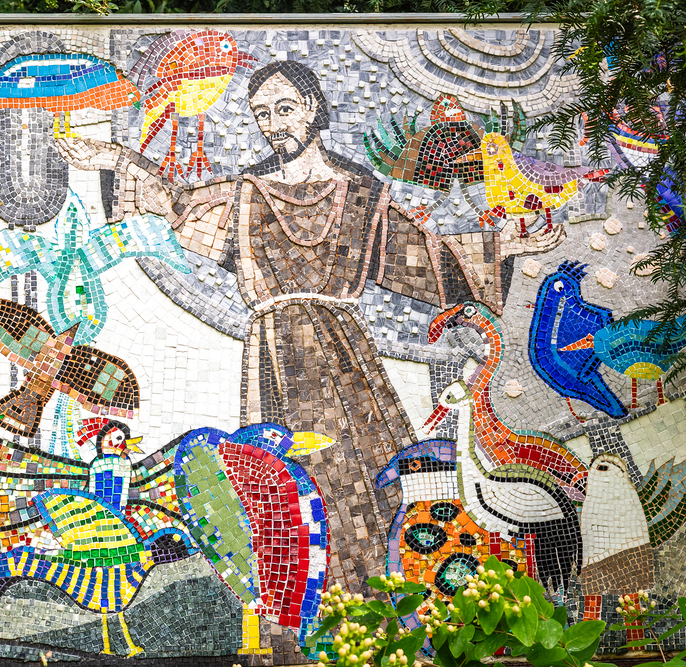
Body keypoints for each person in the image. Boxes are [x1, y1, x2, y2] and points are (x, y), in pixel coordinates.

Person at [55, 60, 563, 592]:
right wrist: (116, 158)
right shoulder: (244, 195)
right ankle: (301, 596)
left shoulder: (360, 196)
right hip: (272, 353)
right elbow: (174, 207)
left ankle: (385, 590)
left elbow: (421, 258)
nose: (273, 124)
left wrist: (502, 245)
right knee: (282, 481)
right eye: (262, 115)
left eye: (284, 109)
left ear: (313, 109)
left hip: (343, 351)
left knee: (362, 469)